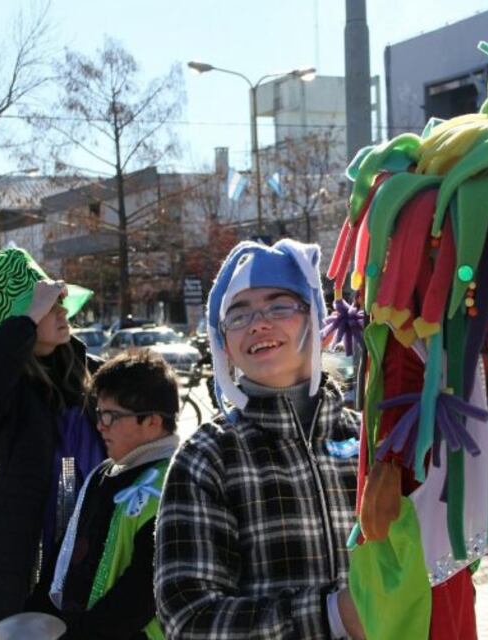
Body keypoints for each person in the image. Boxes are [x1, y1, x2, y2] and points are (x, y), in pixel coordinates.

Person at [154, 239, 364, 639]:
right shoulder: (207, 455)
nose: (258, 323)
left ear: (316, 320)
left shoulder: (370, 441)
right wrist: (330, 614)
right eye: (238, 315)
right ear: (225, 345)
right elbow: (187, 617)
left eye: (279, 306)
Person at [0, 247, 104, 626]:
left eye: (60, 303)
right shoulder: (9, 387)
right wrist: (29, 315)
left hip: (91, 538)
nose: (62, 312)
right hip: (33, 548)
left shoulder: (87, 371)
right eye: (49, 306)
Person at [38, 350, 180, 639]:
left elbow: (142, 591)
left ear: (152, 421)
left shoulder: (176, 484)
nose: (100, 425)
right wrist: (38, 607)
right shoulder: (104, 472)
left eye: (111, 416)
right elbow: (67, 550)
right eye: (99, 412)